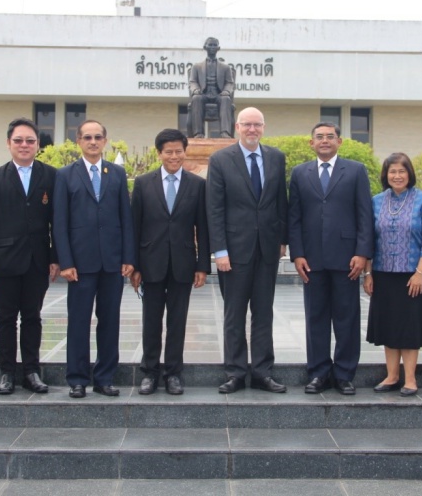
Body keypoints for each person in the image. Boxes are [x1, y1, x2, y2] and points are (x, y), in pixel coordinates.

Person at [206, 107, 288, 393]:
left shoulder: (276, 158)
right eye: (247, 125)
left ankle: (263, 371)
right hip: (234, 252)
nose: (252, 130)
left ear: (263, 127)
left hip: (267, 250)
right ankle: (236, 373)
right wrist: (219, 250)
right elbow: (214, 209)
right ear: (237, 127)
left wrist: (282, 241)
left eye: (257, 125)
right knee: (234, 314)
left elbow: (281, 202)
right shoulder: (220, 159)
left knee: (263, 313)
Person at [288, 122, 372, 396]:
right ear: (311, 143)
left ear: (340, 142)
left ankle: (345, 374)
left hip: (347, 258)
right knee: (316, 318)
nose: (324, 141)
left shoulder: (356, 170)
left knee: (347, 318)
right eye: (319, 137)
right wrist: (297, 253)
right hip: (311, 259)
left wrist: (362, 252)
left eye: (330, 137)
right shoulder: (300, 173)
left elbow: (364, 214)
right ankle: (318, 373)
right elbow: (295, 217)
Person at [53, 120, 135, 398]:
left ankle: (104, 377)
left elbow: (126, 218)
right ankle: (77, 378)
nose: (93, 141)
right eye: (87, 137)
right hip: (80, 263)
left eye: (98, 137)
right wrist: (65, 261)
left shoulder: (117, 173)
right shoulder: (65, 175)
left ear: (105, 141)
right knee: (78, 321)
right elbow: (59, 222)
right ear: (78, 141)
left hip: (112, 261)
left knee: (109, 321)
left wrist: (128, 256)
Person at [0, 118, 59, 396]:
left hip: (38, 259)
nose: (24, 145)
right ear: (8, 143)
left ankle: (31, 371)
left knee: (33, 317)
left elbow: (56, 221)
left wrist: (55, 256)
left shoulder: (50, 176)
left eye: (30, 141)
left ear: (38, 145)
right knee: (6, 317)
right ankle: (7, 373)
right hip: (5, 261)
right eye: (19, 140)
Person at [130, 128, 210, 395]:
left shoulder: (197, 185)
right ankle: (150, 373)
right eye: (168, 152)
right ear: (159, 153)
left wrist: (202, 266)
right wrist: (135, 266)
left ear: (184, 152)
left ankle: (174, 373)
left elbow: (203, 227)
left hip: (183, 264)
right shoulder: (143, 183)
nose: (174, 156)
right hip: (150, 263)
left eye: (178, 151)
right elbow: (134, 226)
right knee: (151, 320)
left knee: (178, 321)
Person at [365, 153, 422, 397]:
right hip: (383, 273)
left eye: (402, 171)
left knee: (410, 328)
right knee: (388, 326)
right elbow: (369, 240)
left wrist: (420, 272)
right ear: (386, 175)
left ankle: (410, 379)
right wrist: (368, 273)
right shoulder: (376, 201)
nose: (397, 176)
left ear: (410, 174)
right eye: (392, 171)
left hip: (414, 275)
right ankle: (391, 375)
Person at [187, 37, 235, 138]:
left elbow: (230, 83)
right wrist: (196, 90)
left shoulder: (226, 67)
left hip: (219, 94)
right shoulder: (196, 67)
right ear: (205, 47)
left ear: (218, 48)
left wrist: (226, 91)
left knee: (226, 99)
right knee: (196, 98)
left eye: (214, 45)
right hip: (203, 94)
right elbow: (192, 81)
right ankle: (198, 133)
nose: (212, 47)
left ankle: (225, 132)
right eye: (210, 45)